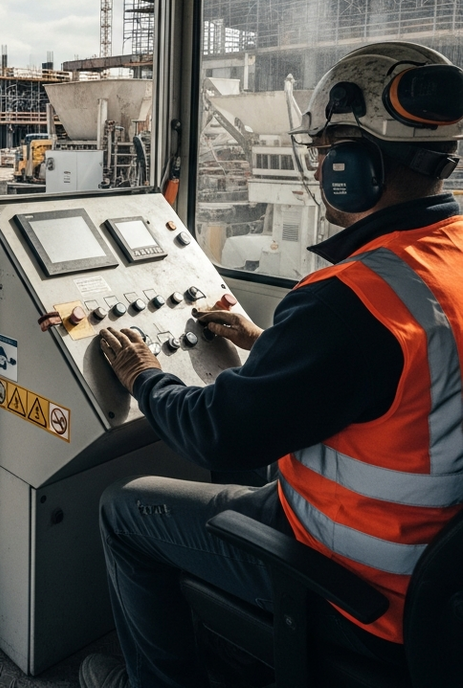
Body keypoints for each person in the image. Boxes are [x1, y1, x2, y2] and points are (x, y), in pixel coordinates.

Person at [81, 42, 463, 688]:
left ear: (353, 165)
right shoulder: (444, 257)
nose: (319, 167)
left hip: (361, 583)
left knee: (123, 509)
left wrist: (144, 375)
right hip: (437, 576)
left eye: (325, 150)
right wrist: (267, 343)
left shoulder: (348, 300)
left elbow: (215, 431)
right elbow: (405, 374)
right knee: (243, 474)